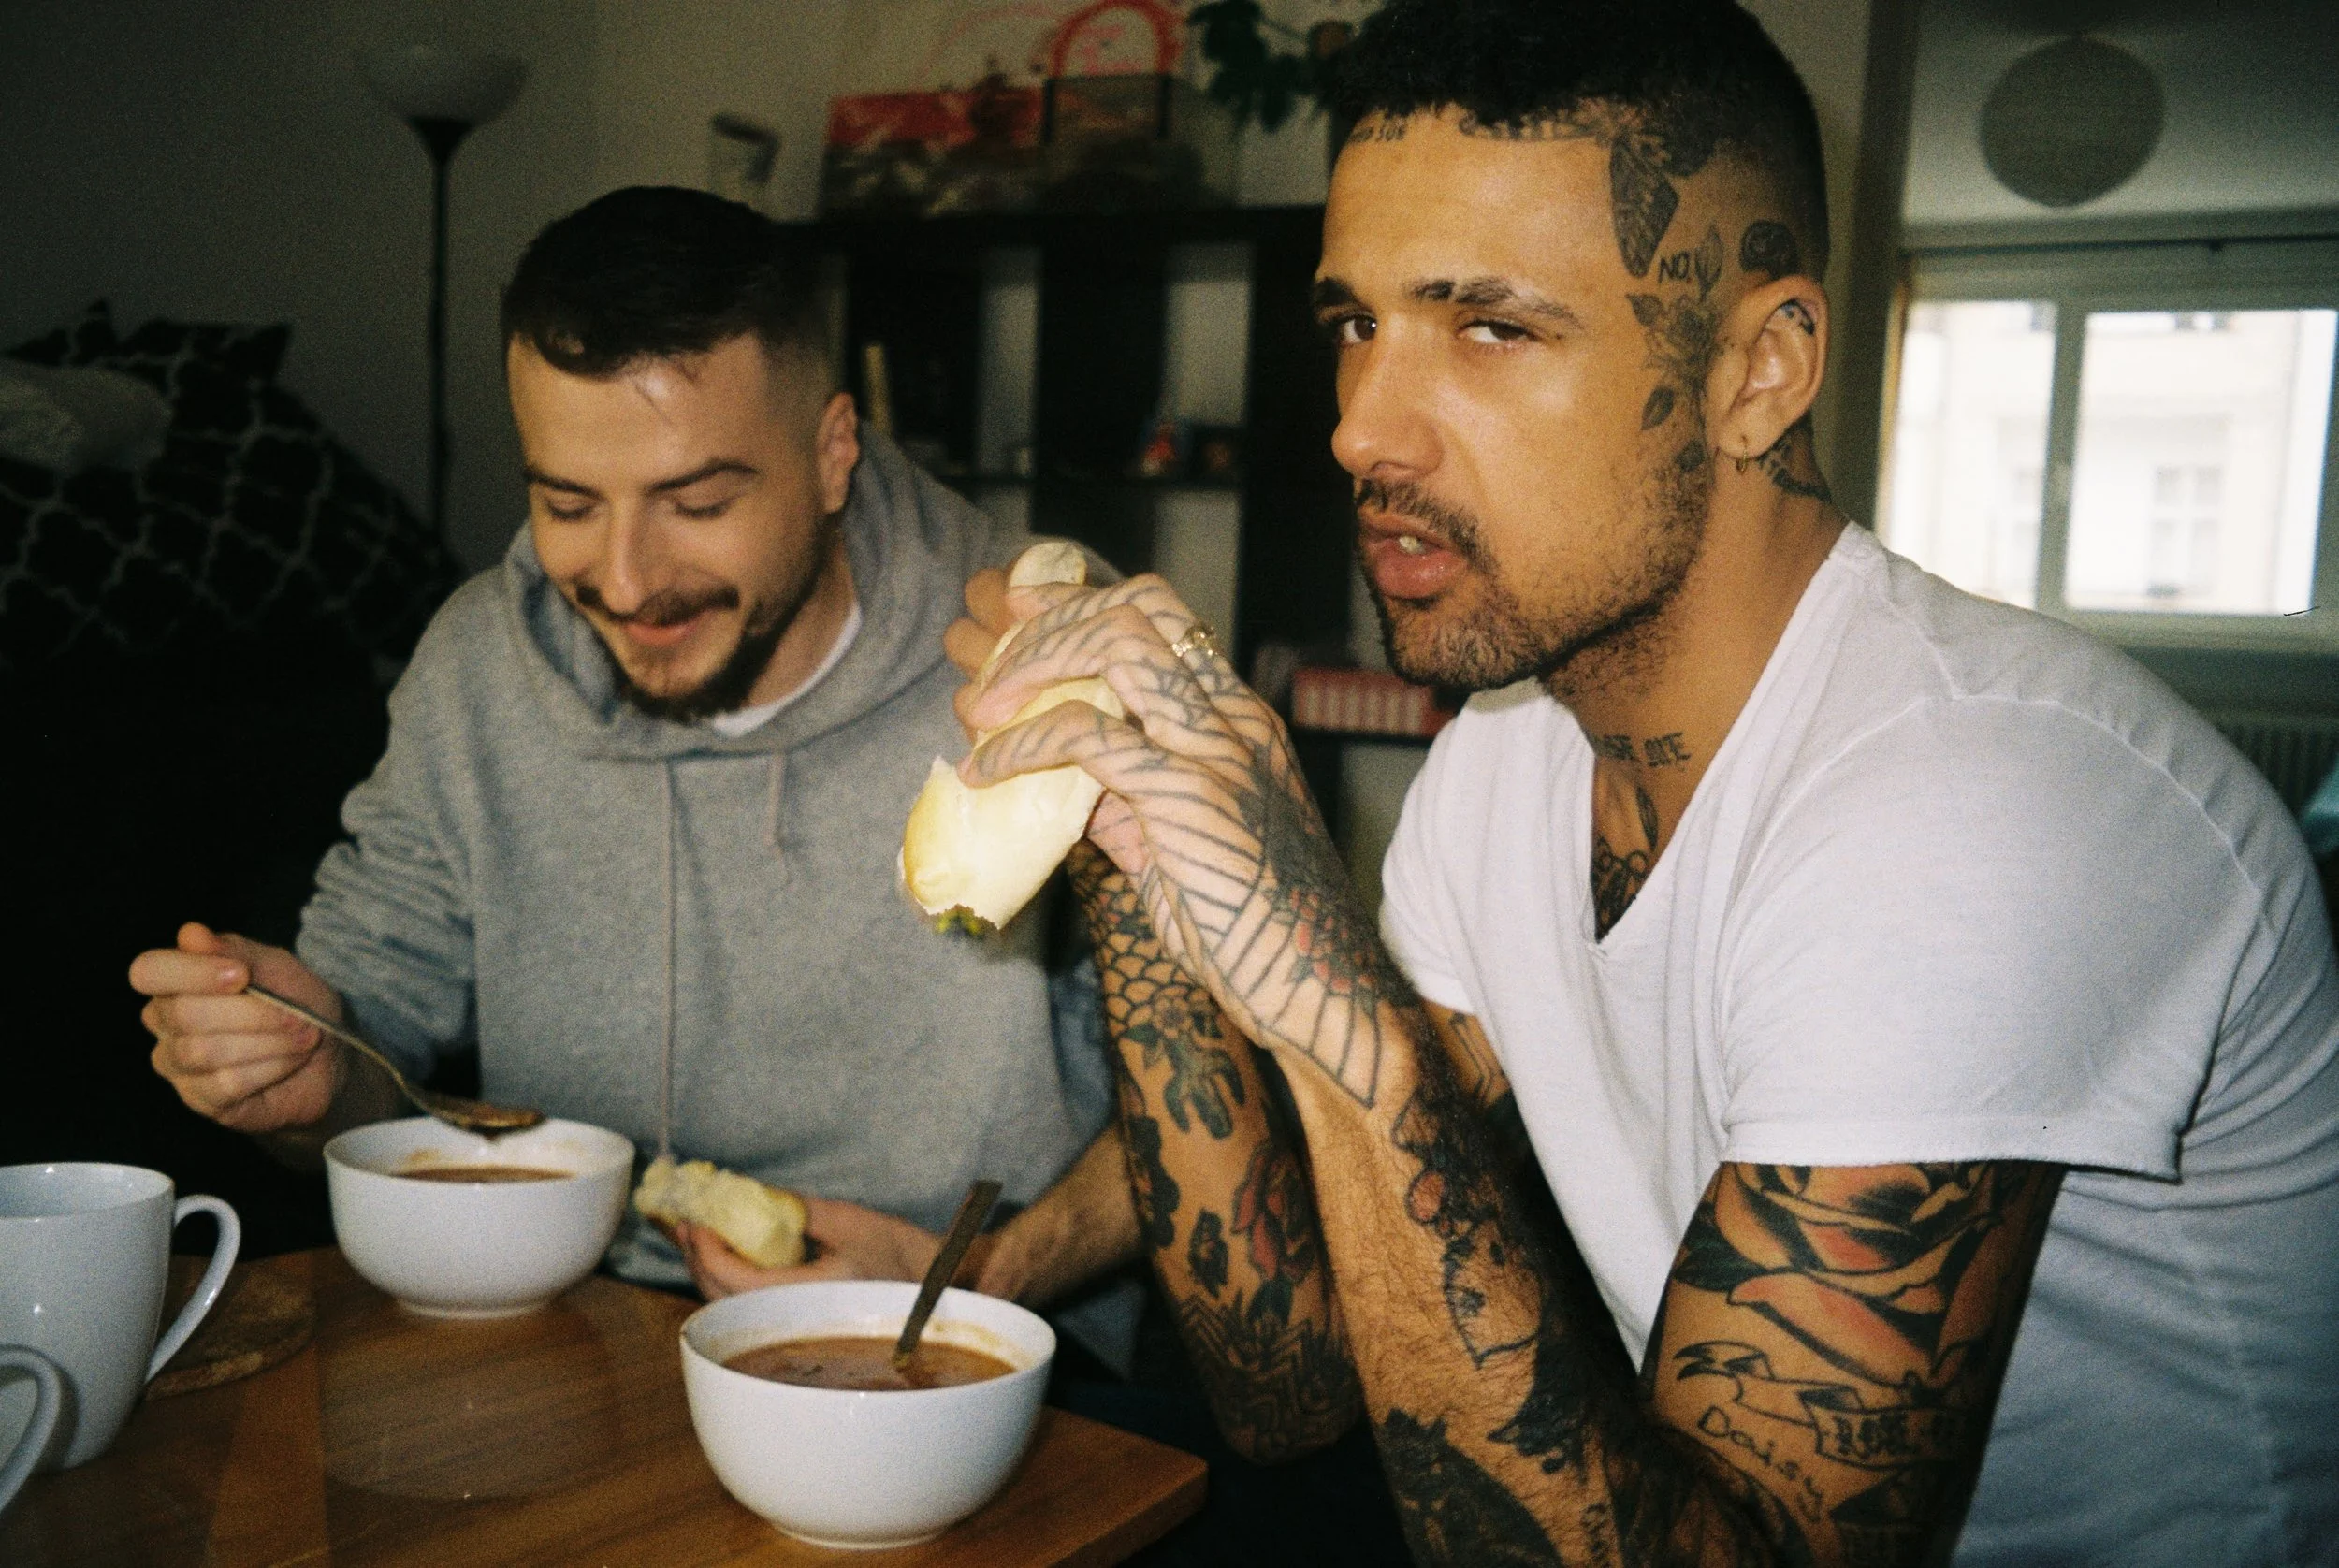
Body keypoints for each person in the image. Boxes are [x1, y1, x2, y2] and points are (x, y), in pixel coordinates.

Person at [946, 1, 2339, 1562]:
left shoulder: (1969, 801)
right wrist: (1127, 831)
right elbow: (1292, 1379)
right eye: (1357, 325)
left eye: (1491, 328)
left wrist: (1335, 999)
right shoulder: (1506, 763)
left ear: (1761, 368)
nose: (1358, 431)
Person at [131, 186, 1140, 1365]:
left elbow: (1240, 1103)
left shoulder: (1043, 650)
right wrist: (301, 1079)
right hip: (581, 1328)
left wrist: (973, 1275)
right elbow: (364, 1076)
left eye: (698, 502)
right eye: (566, 502)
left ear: (830, 452)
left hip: (977, 1342)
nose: (623, 578)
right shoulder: (480, 668)